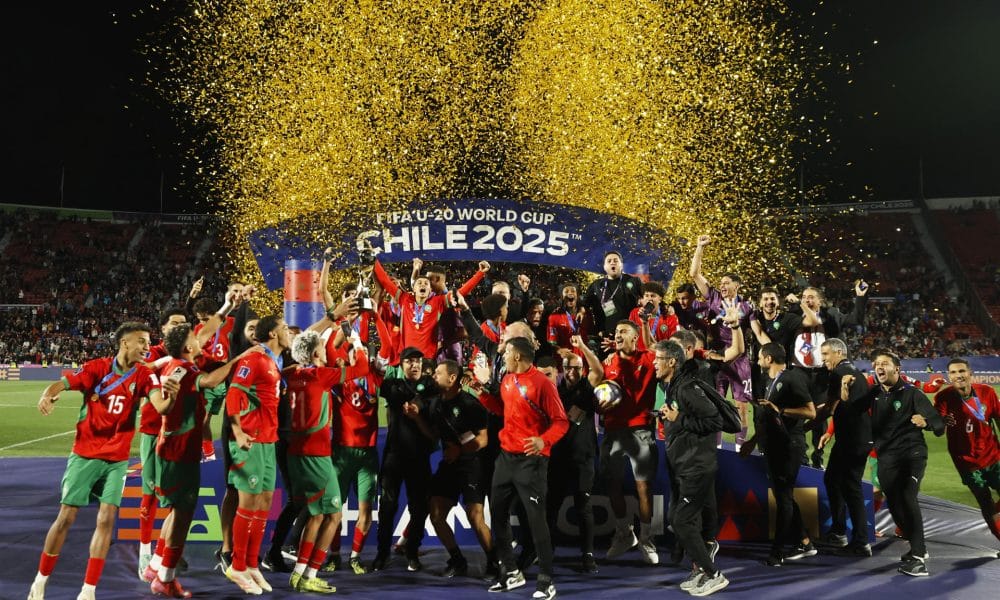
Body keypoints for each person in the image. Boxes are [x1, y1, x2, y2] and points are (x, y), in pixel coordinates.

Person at [29, 322, 167, 600]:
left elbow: (160, 404)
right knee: (66, 517)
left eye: (148, 342)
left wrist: (170, 396)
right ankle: (40, 581)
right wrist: (48, 393)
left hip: (117, 460)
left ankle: (88, 590)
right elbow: (64, 382)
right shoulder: (96, 368)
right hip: (85, 455)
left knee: (106, 519)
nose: (146, 347)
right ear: (124, 343)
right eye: (141, 341)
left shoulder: (144, 375)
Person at [144, 323, 243, 597]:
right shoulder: (185, 370)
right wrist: (238, 360)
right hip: (179, 451)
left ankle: (157, 567)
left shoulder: (176, 365)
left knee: (176, 511)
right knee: (183, 515)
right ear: (188, 347)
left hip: (173, 447)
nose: (200, 342)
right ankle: (166, 578)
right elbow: (211, 381)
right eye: (194, 339)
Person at [478, 336, 568, 600]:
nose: (502, 356)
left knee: (536, 521)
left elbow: (561, 421)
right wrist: (483, 393)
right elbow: (502, 409)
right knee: (497, 514)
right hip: (506, 458)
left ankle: (546, 580)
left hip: (532, 461)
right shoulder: (507, 380)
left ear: (517, 356)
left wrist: (544, 440)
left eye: (505, 352)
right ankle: (511, 571)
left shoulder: (542, 384)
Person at [841, 350, 944, 576]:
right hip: (887, 456)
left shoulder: (912, 393)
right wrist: (845, 389)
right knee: (895, 504)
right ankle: (916, 543)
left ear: (897, 369)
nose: (879, 366)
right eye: (876, 363)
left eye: (885, 363)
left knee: (907, 496)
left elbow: (938, 424)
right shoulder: (874, 392)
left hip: (912, 454)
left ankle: (918, 556)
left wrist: (925, 421)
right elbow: (851, 411)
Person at [283, 330, 368, 593]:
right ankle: (310, 573)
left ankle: (300, 574)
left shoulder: (292, 375)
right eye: (322, 346)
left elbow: (284, 372)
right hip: (316, 455)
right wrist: (356, 342)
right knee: (333, 515)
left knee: (316, 514)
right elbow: (361, 368)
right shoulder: (321, 375)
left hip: (295, 453)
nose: (325, 349)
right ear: (315, 353)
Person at [654, 340, 729, 597]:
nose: (654, 362)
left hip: (697, 465)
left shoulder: (685, 387)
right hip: (686, 464)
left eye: (658, 358)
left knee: (681, 521)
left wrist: (679, 418)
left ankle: (713, 574)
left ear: (671, 362)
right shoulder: (674, 386)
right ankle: (699, 570)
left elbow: (714, 419)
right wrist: (669, 416)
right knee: (684, 519)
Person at [223, 314, 291, 594]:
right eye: (285, 328)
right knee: (248, 504)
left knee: (263, 503)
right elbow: (233, 394)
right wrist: (238, 432)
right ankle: (236, 566)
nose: (289, 332)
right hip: (249, 440)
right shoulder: (253, 360)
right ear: (273, 334)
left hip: (267, 439)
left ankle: (251, 563)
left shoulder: (274, 362)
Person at [422, 360, 494, 578]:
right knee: (435, 513)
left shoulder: (471, 405)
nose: (433, 375)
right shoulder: (435, 404)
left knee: (475, 516)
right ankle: (457, 559)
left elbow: (483, 440)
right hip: (449, 465)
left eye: (438, 372)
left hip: (471, 464)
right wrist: (417, 419)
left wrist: (459, 451)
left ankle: (494, 561)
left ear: (452, 378)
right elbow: (434, 435)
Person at [596, 320, 660, 564]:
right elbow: (597, 394)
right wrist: (599, 404)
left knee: (643, 487)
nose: (618, 335)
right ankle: (625, 533)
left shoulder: (649, 358)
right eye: (616, 332)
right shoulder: (608, 363)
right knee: (612, 484)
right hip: (612, 431)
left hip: (641, 430)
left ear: (636, 338)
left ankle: (646, 538)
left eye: (624, 331)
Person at [786, 282, 868, 468]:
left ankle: (817, 458)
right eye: (804, 296)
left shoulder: (831, 316)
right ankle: (800, 456)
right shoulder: (794, 316)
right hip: (799, 373)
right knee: (797, 416)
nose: (806, 299)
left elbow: (856, 319)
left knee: (820, 418)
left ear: (820, 301)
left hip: (823, 376)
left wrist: (860, 297)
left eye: (811, 297)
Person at [372, 347, 437, 571]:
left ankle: (412, 552)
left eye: (418, 361)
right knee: (387, 506)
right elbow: (386, 387)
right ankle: (382, 554)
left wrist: (416, 406)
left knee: (419, 509)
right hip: (394, 456)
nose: (414, 365)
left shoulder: (430, 384)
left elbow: (425, 397)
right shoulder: (392, 385)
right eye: (409, 361)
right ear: (401, 365)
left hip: (420, 457)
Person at [689, 234, 755, 447]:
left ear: (737, 285)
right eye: (721, 282)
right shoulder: (714, 297)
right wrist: (700, 247)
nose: (723, 285)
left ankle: (739, 447)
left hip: (739, 359)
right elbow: (694, 274)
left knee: (741, 406)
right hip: (717, 357)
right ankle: (716, 446)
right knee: (715, 402)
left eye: (727, 282)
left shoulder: (746, 306)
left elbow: (752, 328)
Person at [541, 342, 601, 574]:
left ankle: (587, 555)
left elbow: (599, 371)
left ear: (582, 369)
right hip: (558, 457)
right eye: (568, 367)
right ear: (562, 369)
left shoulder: (587, 387)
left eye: (576, 368)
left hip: (583, 457)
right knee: (551, 507)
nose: (572, 372)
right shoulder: (554, 391)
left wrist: (582, 347)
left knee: (583, 506)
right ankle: (547, 550)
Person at [756, 343, 818, 567]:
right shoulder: (770, 381)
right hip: (775, 445)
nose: (758, 361)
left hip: (790, 445)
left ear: (769, 358)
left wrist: (780, 410)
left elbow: (811, 412)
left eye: (761, 357)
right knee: (785, 495)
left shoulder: (792, 378)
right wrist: (753, 441)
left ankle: (777, 552)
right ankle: (804, 541)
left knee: (783, 498)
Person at [815, 338, 873, 556]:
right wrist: (830, 431)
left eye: (826, 355)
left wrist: (804, 425)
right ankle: (839, 531)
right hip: (853, 439)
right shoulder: (854, 373)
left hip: (853, 440)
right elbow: (841, 407)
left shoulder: (839, 374)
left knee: (852, 487)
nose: (823, 360)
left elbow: (829, 408)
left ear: (839, 352)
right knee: (832, 479)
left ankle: (860, 541)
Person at [934, 358, 1000, 545]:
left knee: (991, 505)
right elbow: (938, 431)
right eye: (953, 372)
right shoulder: (944, 398)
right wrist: (942, 423)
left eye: (961, 371)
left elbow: (998, 418)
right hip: (967, 463)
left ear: (970, 373)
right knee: (985, 501)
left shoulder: (987, 392)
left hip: (994, 456)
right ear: (949, 376)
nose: (958, 375)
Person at [583, 251, 642, 352]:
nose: (612, 263)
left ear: (621, 265)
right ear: (605, 266)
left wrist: (665, 307)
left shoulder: (633, 281)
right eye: (609, 261)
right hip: (606, 337)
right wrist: (581, 309)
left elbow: (648, 296)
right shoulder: (597, 285)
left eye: (616, 261)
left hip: (629, 335)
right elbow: (584, 304)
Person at [628, 281, 678, 352]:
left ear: (660, 299)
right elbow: (628, 338)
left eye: (653, 296)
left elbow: (674, 344)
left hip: (659, 358)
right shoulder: (635, 313)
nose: (649, 299)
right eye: (646, 295)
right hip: (639, 359)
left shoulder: (670, 317)